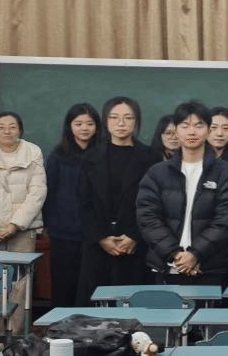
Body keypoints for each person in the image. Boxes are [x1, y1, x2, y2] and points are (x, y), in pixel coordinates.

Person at [137, 100, 228, 285]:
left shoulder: (227, 174)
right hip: (167, 266)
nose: (192, 132)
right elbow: (147, 218)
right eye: (185, 126)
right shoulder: (157, 173)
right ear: (177, 131)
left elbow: (226, 221)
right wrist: (175, 254)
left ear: (208, 130)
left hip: (210, 268)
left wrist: (196, 254)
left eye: (199, 125)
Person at [76, 97, 161, 304]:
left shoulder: (151, 158)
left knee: (133, 306)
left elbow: (155, 203)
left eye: (128, 118)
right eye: (114, 118)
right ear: (105, 121)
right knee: (95, 309)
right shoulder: (90, 157)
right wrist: (101, 238)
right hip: (98, 246)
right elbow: (83, 203)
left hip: (135, 246)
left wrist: (134, 235)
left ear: (136, 121)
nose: (121, 123)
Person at [43, 102, 101, 307]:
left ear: (97, 126)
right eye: (78, 123)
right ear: (69, 126)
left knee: (93, 290)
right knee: (64, 287)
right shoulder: (58, 155)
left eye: (90, 123)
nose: (84, 128)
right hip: (63, 232)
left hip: (97, 235)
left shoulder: (104, 153)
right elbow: (49, 192)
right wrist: (48, 224)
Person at [0, 111, 47, 253]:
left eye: (12, 127)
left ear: (20, 131)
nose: (7, 132)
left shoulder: (33, 153)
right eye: (1, 128)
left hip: (24, 229)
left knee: (21, 268)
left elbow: (37, 193)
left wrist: (15, 225)